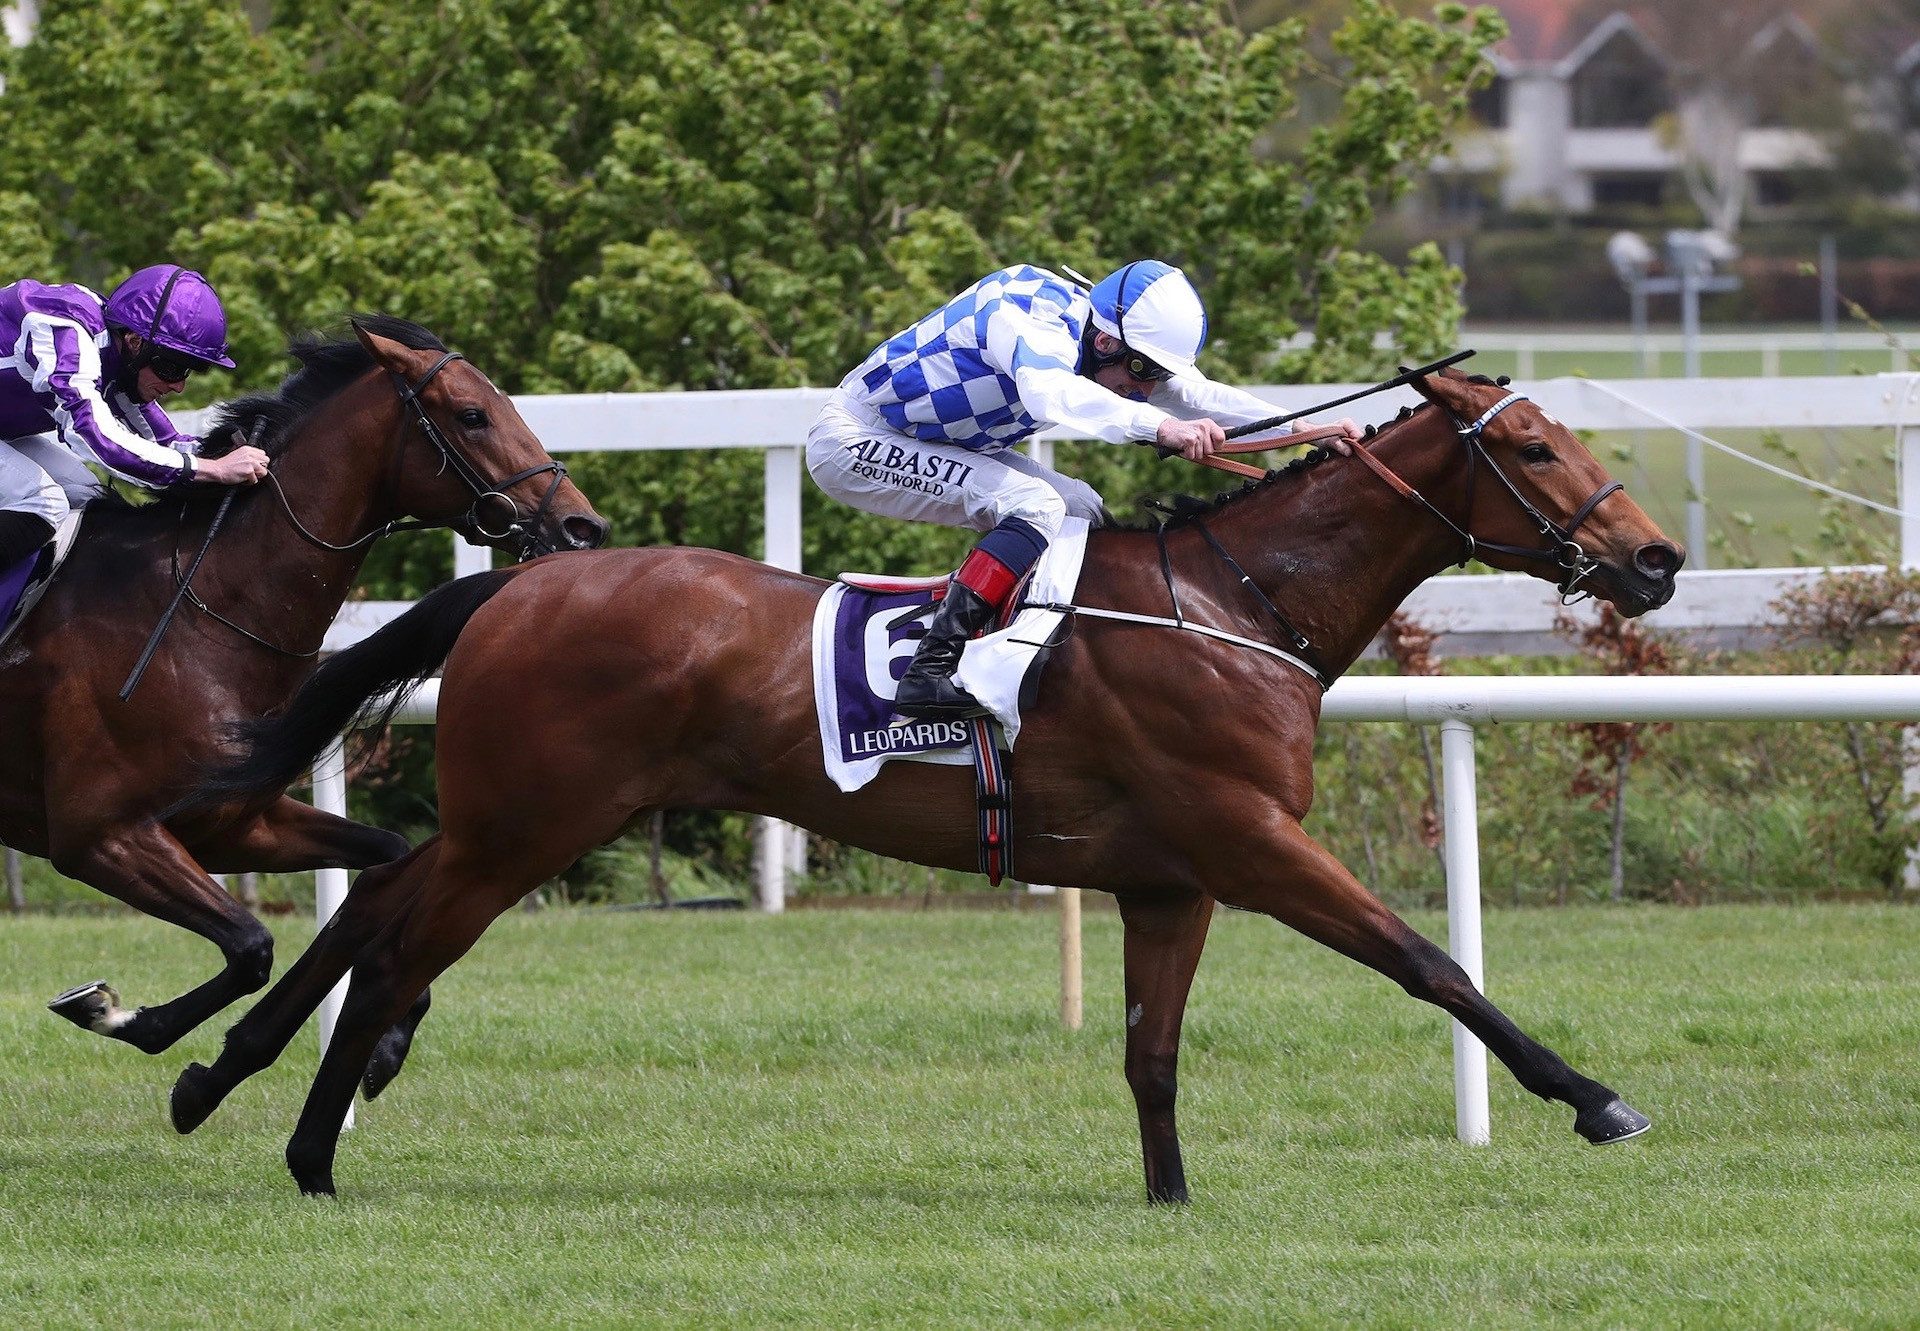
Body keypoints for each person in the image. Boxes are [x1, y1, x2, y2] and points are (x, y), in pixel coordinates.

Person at [807, 259, 1365, 720]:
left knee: (1082, 508)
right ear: (1103, 340)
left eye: (1154, 379)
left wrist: (1304, 430)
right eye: (1141, 372)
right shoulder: (1024, 313)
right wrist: (1159, 427)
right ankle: (928, 671)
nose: (1145, 390)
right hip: (854, 441)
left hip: (946, 444)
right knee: (1037, 503)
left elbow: (1198, 399)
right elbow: (1052, 395)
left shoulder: (1111, 343)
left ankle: (1051, 651)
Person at [0, 264, 271, 574]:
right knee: (43, 501)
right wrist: (212, 470)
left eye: (189, 370)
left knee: (84, 493)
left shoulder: (118, 356)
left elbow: (167, 443)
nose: (179, 386)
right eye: (173, 367)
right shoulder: (66, 332)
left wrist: (225, 454)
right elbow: (95, 435)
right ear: (134, 342)